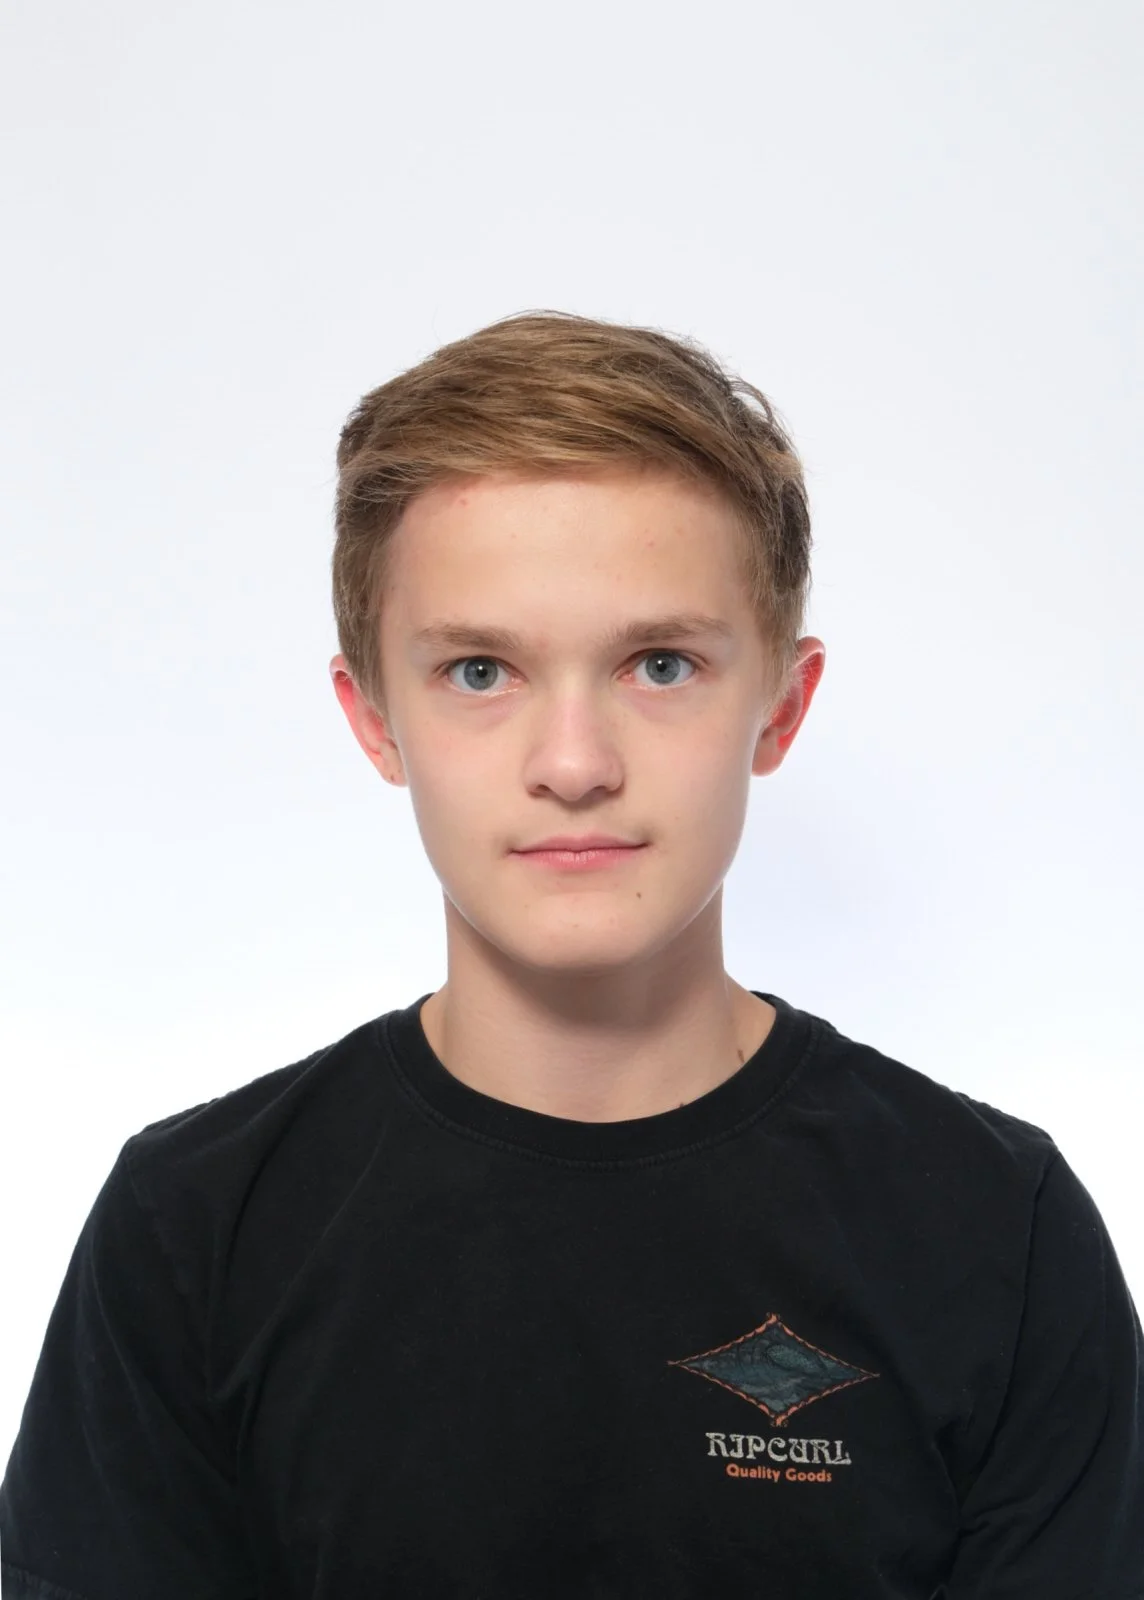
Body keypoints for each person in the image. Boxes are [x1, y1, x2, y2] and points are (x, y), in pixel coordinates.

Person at [2, 310, 1140, 1598]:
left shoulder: (997, 1229)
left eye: (661, 663)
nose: (575, 764)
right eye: (480, 672)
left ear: (782, 705)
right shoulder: (193, 1229)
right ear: (374, 720)